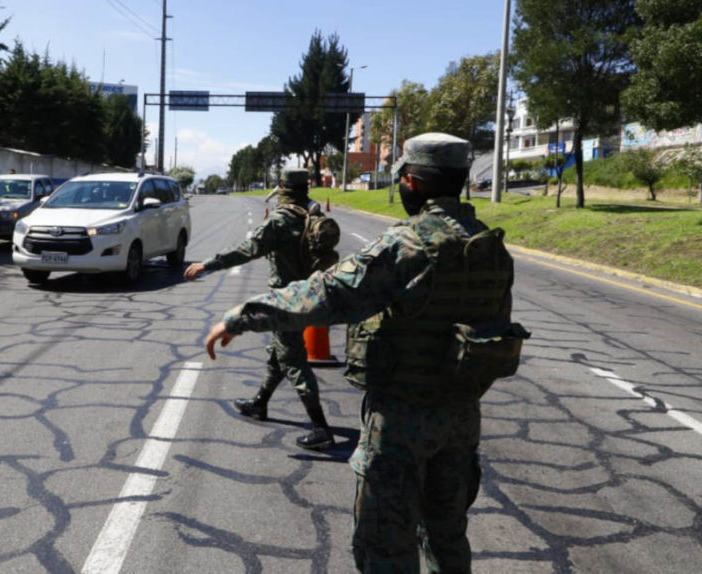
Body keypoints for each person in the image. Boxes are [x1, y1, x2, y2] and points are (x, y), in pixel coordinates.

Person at [203, 133, 517, 572]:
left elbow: (329, 294)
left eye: (403, 178)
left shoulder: (410, 243)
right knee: (446, 536)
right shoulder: (490, 248)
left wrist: (242, 316)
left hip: (401, 422)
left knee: (385, 546)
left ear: (411, 181)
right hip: (462, 420)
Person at [185, 167, 335, 451]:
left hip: (284, 302)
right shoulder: (313, 214)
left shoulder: (280, 220)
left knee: (293, 361)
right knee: (278, 354)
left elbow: (246, 250)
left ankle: (321, 427)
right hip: (309, 295)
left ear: (282, 189)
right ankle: (260, 402)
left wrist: (208, 265)